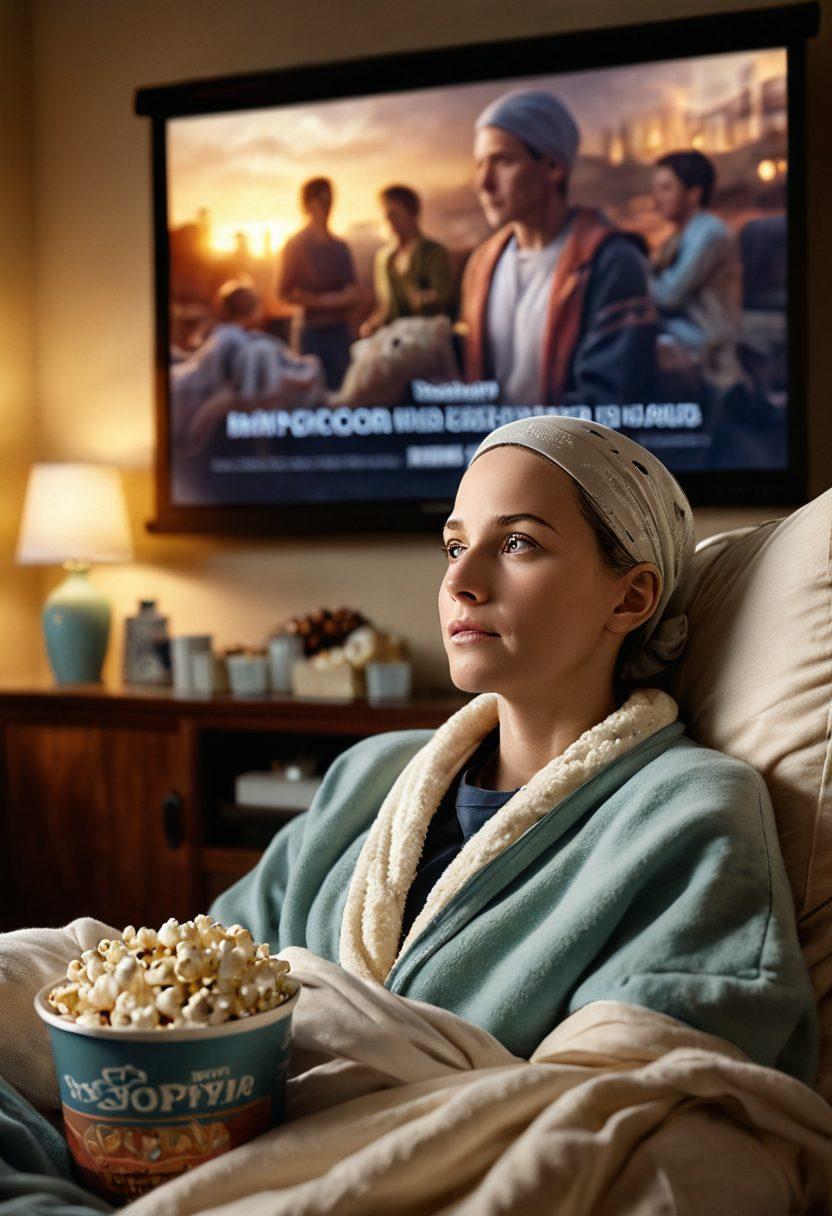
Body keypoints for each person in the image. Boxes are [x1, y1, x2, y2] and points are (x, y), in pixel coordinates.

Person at [211, 416, 818, 1084]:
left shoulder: (690, 807)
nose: (461, 581)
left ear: (631, 596)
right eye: (454, 546)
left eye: (517, 542)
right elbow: (198, 971)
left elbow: (656, 1080)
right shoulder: (370, 772)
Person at [460, 89, 656, 407]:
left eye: (503, 161)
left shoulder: (611, 262)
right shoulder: (482, 264)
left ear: (553, 167)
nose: (483, 183)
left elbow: (611, 403)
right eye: (480, 164)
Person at [650, 150, 747, 393]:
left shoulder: (709, 233)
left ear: (694, 193)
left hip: (706, 341)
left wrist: (633, 276)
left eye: (666, 188)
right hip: (685, 332)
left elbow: (668, 295)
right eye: (656, 190)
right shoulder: (679, 235)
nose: (656, 199)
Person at [276, 177, 359, 391]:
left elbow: (354, 290)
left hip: (339, 335)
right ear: (308, 205)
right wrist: (324, 302)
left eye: (329, 200)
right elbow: (283, 292)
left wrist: (339, 300)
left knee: (342, 392)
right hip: (310, 334)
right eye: (321, 201)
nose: (326, 207)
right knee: (310, 394)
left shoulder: (340, 246)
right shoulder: (294, 245)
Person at [359, 184, 455, 338]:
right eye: (385, 216)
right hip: (394, 335)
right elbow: (385, 306)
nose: (389, 220)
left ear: (412, 214)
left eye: (394, 214)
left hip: (427, 333)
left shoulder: (433, 252)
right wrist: (371, 324)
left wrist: (422, 298)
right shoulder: (384, 259)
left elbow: (443, 299)